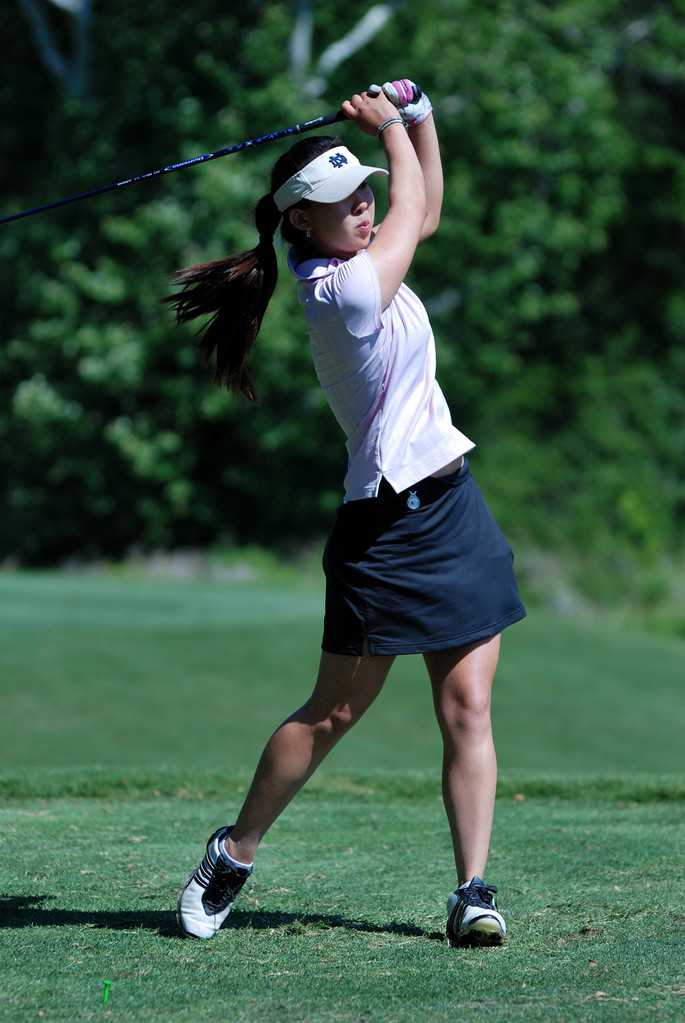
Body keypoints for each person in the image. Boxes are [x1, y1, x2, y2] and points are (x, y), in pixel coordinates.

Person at [164, 79, 526, 947]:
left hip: (454, 504)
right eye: (341, 203)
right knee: (333, 713)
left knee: (469, 708)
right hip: (385, 529)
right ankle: (234, 850)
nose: (363, 209)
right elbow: (409, 211)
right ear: (299, 223)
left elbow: (422, 213)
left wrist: (422, 115)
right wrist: (393, 128)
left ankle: (471, 889)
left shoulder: (368, 258)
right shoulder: (337, 294)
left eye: (364, 195)